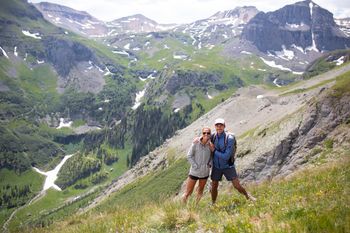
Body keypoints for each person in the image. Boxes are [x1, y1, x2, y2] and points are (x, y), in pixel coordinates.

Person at [210, 118, 256, 204]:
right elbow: (204, 138)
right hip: (216, 166)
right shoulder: (213, 137)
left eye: (221, 125)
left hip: (228, 166)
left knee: (236, 185)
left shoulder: (229, 138)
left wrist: (214, 151)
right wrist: (198, 139)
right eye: (217, 125)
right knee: (214, 186)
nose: (219, 127)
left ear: (224, 126)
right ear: (215, 126)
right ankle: (213, 203)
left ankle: (248, 196)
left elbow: (226, 156)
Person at [183, 127, 212, 204]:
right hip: (194, 172)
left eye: (208, 133)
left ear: (210, 134)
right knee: (188, 192)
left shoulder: (211, 145)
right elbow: (189, 155)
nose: (206, 134)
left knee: (200, 191)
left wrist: (209, 164)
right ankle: (182, 208)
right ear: (202, 134)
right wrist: (195, 166)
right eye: (204, 133)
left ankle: (196, 206)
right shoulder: (195, 143)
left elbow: (212, 156)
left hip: (205, 173)